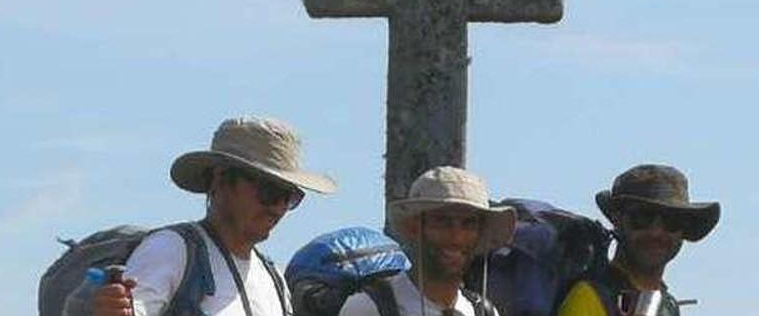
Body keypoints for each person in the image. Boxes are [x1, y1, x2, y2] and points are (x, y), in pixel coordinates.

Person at [93, 116, 337, 316]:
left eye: (289, 196)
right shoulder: (170, 250)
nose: (278, 207)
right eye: (269, 191)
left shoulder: (274, 281)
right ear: (220, 179)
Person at [337, 166, 516, 316]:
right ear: (415, 228)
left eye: (468, 224)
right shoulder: (370, 308)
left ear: (480, 234)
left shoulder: (482, 311)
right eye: (443, 222)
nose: (456, 237)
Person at [558, 164, 721, 316]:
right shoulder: (589, 296)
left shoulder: (667, 306)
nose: (656, 232)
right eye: (643, 218)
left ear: (684, 229)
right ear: (617, 220)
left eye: (672, 220)